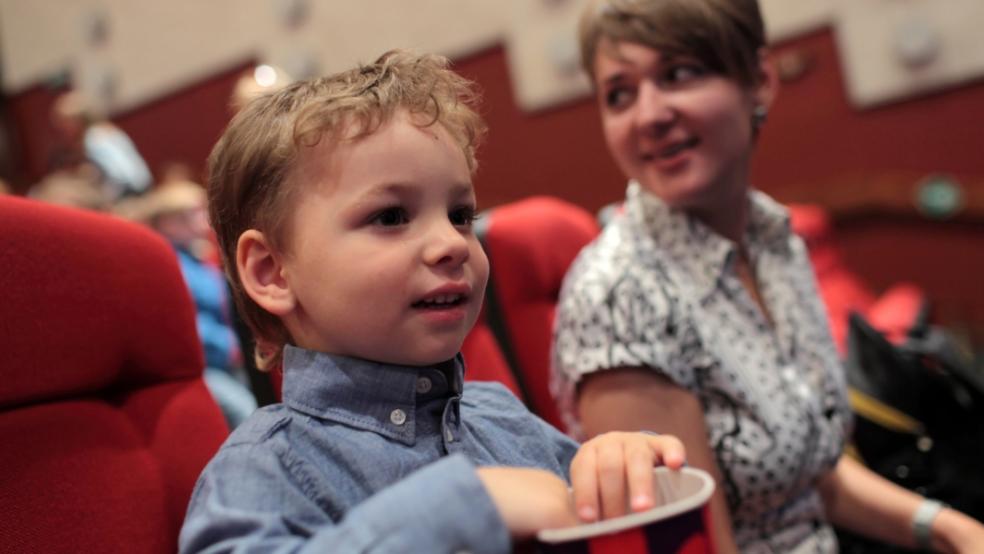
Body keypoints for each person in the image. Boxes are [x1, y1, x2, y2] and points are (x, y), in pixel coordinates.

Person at [179, 49, 687, 553]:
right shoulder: (265, 468)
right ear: (271, 272)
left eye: (460, 215)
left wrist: (614, 466)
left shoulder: (499, 415)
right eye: (391, 217)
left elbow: (590, 513)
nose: (451, 243)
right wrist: (457, 508)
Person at [550, 1, 984, 552]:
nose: (648, 114)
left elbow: (814, 474)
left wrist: (953, 529)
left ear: (758, 81)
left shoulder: (775, 239)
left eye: (679, 74)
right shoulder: (620, 294)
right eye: (619, 94)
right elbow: (701, 545)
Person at [130, 180, 258, 428]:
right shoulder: (167, 264)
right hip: (200, 366)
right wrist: (231, 347)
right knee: (246, 411)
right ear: (168, 222)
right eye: (193, 213)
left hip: (225, 360)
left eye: (202, 211)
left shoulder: (195, 257)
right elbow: (185, 322)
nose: (203, 219)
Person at [50, 90, 153, 200]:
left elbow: (120, 174)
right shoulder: (104, 130)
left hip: (132, 191)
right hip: (141, 184)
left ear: (77, 121)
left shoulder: (94, 139)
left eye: (64, 124)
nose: (63, 131)